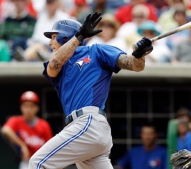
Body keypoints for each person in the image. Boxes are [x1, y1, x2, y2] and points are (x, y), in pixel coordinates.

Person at [28, 12, 153, 169]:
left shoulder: (96, 51)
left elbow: (134, 65)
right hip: (83, 130)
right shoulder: (57, 63)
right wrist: (79, 37)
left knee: (37, 163)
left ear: (65, 37)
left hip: (88, 123)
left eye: (54, 37)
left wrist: (140, 55)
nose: (50, 42)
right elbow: (54, 65)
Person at [1, 91, 53, 169]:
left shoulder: (44, 125)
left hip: (41, 161)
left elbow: (51, 147)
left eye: (32, 106)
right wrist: (22, 145)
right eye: (25, 106)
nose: (28, 109)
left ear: (37, 108)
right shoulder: (16, 121)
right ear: (21, 107)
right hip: (26, 162)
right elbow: (5, 130)